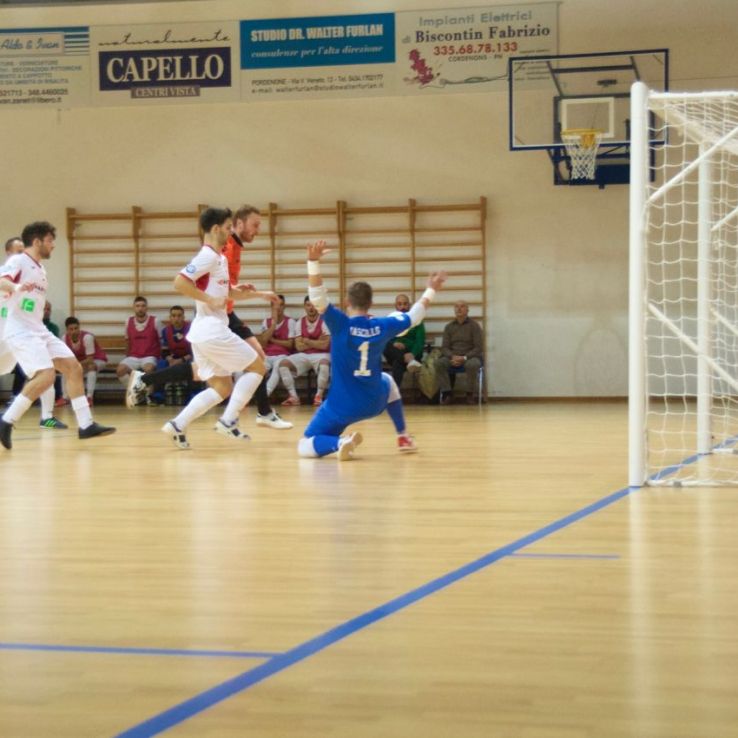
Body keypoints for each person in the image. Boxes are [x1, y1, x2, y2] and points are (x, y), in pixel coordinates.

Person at [297, 240, 446, 460]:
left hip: (341, 405)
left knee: (304, 445)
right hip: (373, 402)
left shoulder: (340, 324)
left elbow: (317, 298)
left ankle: (340, 442)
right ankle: (403, 436)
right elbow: (415, 316)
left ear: (347, 302)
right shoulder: (382, 326)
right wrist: (431, 289)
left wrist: (313, 262)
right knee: (388, 379)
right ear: (371, 303)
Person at [161, 207, 279, 450]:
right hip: (212, 330)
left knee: (222, 387)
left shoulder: (220, 258)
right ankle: (228, 420)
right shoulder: (208, 256)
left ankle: (177, 425)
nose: (230, 232)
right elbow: (179, 282)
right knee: (258, 366)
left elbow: (227, 294)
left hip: (203, 334)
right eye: (227, 228)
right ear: (216, 229)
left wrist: (257, 294)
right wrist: (208, 299)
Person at [0, 221, 115, 449]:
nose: (53, 245)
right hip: (20, 330)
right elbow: (2, 281)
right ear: (37, 242)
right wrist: (16, 287)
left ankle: (86, 425)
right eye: (50, 240)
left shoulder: (40, 269)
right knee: (46, 376)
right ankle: (6, 420)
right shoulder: (18, 260)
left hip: (38, 329)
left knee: (74, 368)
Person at [222, 205, 292, 429]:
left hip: (227, 313)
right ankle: (144, 379)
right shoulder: (227, 247)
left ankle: (264, 412)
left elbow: (226, 286)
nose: (258, 230)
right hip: (216, 316)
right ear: (239, 224)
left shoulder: (236, 247)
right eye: (255, 225)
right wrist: (260, 294)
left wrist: (237, 287)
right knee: (204, 373)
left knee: (259, 358)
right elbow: (221, 290)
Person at [0, 236, 67, 429]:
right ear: (8, 254)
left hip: (21, 335)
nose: (24, 254)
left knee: (45, 370)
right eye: (19, 251)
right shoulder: (5, 275)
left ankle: (47, 417)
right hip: (4, 337)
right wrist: (15, 287)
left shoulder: (33, 273)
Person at [274, 296, 331, 407]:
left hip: (322, 355)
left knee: (324, 364)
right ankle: (294, 397)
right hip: (304, 355)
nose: (311, 308)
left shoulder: (324, 321)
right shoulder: (300, 322)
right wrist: (317, 342)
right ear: (304, 307)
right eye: (308, 305)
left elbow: (325, 345)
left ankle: (318, 396)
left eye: (313, 305)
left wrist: (306, 341)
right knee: (283, 364)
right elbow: (299, 347)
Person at [437, 300, 484, 405]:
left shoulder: (474, 326)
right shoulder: (449, 327)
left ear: (467, 310)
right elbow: (444, 347)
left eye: (462, 306)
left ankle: (470, 394)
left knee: (473, 364)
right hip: (452, 356)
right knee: (439, 363)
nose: (459, 309)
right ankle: (447, 393)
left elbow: (478, 347)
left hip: (470, 357)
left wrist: (464, 358)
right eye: (456, 306)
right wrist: (452, 357)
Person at [258, 294, 298, 402]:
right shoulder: (266, 321)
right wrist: (274, 323)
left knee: (278, 367)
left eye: (281, 305)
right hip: (267, 355)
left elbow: (290, 344)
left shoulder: (290, 322)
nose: (278, 308)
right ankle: (249, 396)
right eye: (275, 305)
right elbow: (263, 341)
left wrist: (273, 340)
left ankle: (265, 395)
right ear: (271, 307)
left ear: (284, 306)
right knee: (259, 369)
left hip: (283, 355)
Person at [116, 295, 161, 387]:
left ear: (147, 308)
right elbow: (127, 341)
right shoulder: (128, 321)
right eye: (138, 306)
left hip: (150, 356)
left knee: (149, 370)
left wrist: (160, 358)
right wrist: (127, 357)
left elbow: (161, 341)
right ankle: (134, 390)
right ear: (134, 308)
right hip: (134, 356)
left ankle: (147, 393)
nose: (140, 308)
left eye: (143, 306)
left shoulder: (155, 321)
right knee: (120, 370)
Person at [383, 292, 425, 390]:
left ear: (409, 305)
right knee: (384, 344)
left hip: (412, 355)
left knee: (397, 364)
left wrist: (412, 353)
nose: (402, 307)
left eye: (405, 304)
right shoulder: (391, 320)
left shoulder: (417, 321)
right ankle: (409, 361)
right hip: (395, 352)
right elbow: (386, 338)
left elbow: (420, 341)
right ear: (395, 306)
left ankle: (394, 394)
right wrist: (394, 343)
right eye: (400, 304)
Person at [62, 317, 108, 405]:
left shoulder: (87, 337)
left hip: (97, 359)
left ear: (79, 328)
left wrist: (75, 365)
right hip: (81, 362)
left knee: (91, 367)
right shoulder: (64, 338)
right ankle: (65, 397)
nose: (74, 331)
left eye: (76, 328)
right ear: (67, 330)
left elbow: (90, 359)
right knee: (65, 369)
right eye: (71, 329)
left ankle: (89, 397)